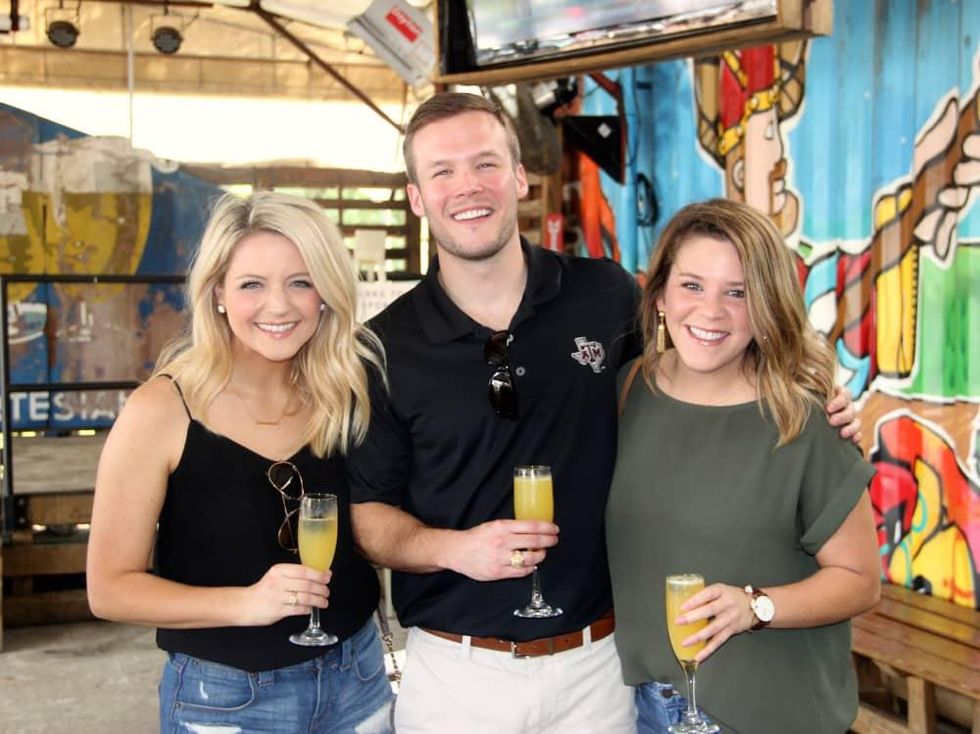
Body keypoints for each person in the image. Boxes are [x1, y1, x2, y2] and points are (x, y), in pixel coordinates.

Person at [346, 92, 861, 733]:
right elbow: (367, 517)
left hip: (604, 670)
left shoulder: (604, 295)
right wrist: (453, 550)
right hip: (458, 673)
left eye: (484, 164)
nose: (466, 187)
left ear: (518, 176)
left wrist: (810, 395)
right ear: (417, 197)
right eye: (441, 172)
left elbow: (697, 374)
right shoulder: (380, 347)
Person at [86, 191, 394, 734]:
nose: (279, 306)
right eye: (252, 284)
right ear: (218, 294)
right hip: (227, 698)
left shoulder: (346, 392)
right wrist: (245, 604)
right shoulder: (161, 409)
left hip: (357, 678)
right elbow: (109, 588)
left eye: (301, 281)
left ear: (326, 292)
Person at [606, 199, 881, 733]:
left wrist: (755, 607)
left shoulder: (803, 418)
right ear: (660, 295)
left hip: (769, 715)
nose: (711, 312)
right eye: (692, 286)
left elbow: (860, 580)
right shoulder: (628, 391)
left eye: (738, 292)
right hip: (647, 709)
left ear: (768, 305)